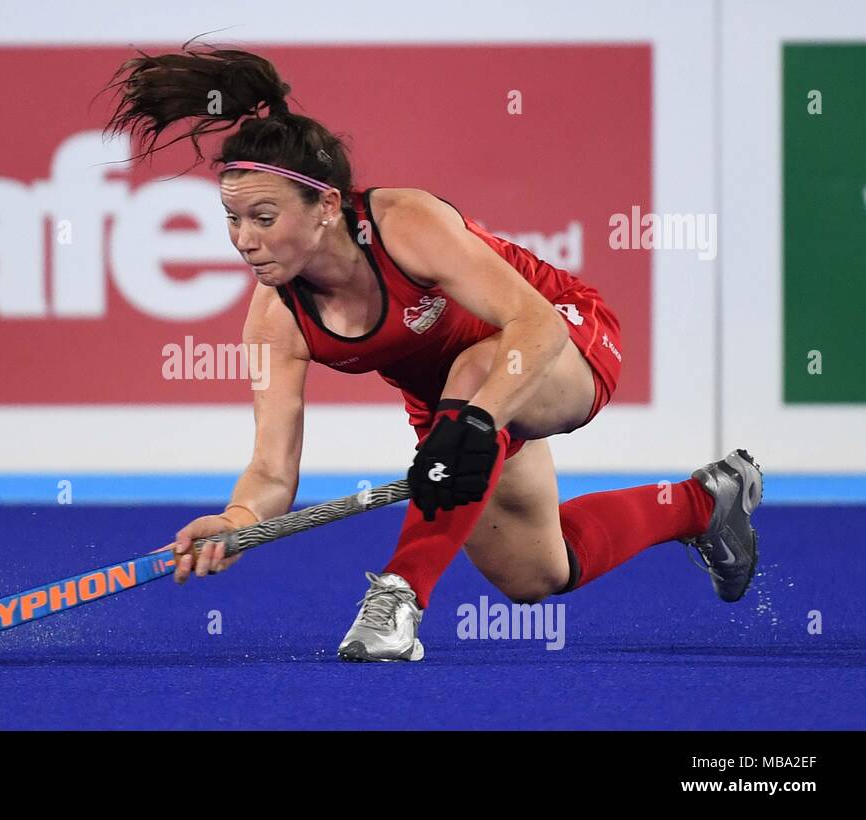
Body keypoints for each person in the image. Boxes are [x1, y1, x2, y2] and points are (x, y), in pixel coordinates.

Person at [103, 44, 762, 662]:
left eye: (263, 218)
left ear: (326, 206)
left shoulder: (402, 224)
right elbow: (273, 474)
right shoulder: (276, 320)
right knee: (538, 574)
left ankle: (400, 597)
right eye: (232, 219)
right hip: (458, 405)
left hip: (559, 339)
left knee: (476, 369)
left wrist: (476, 424)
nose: (243, 240)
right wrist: (236, 521)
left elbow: (532, 324)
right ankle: (703, 503)